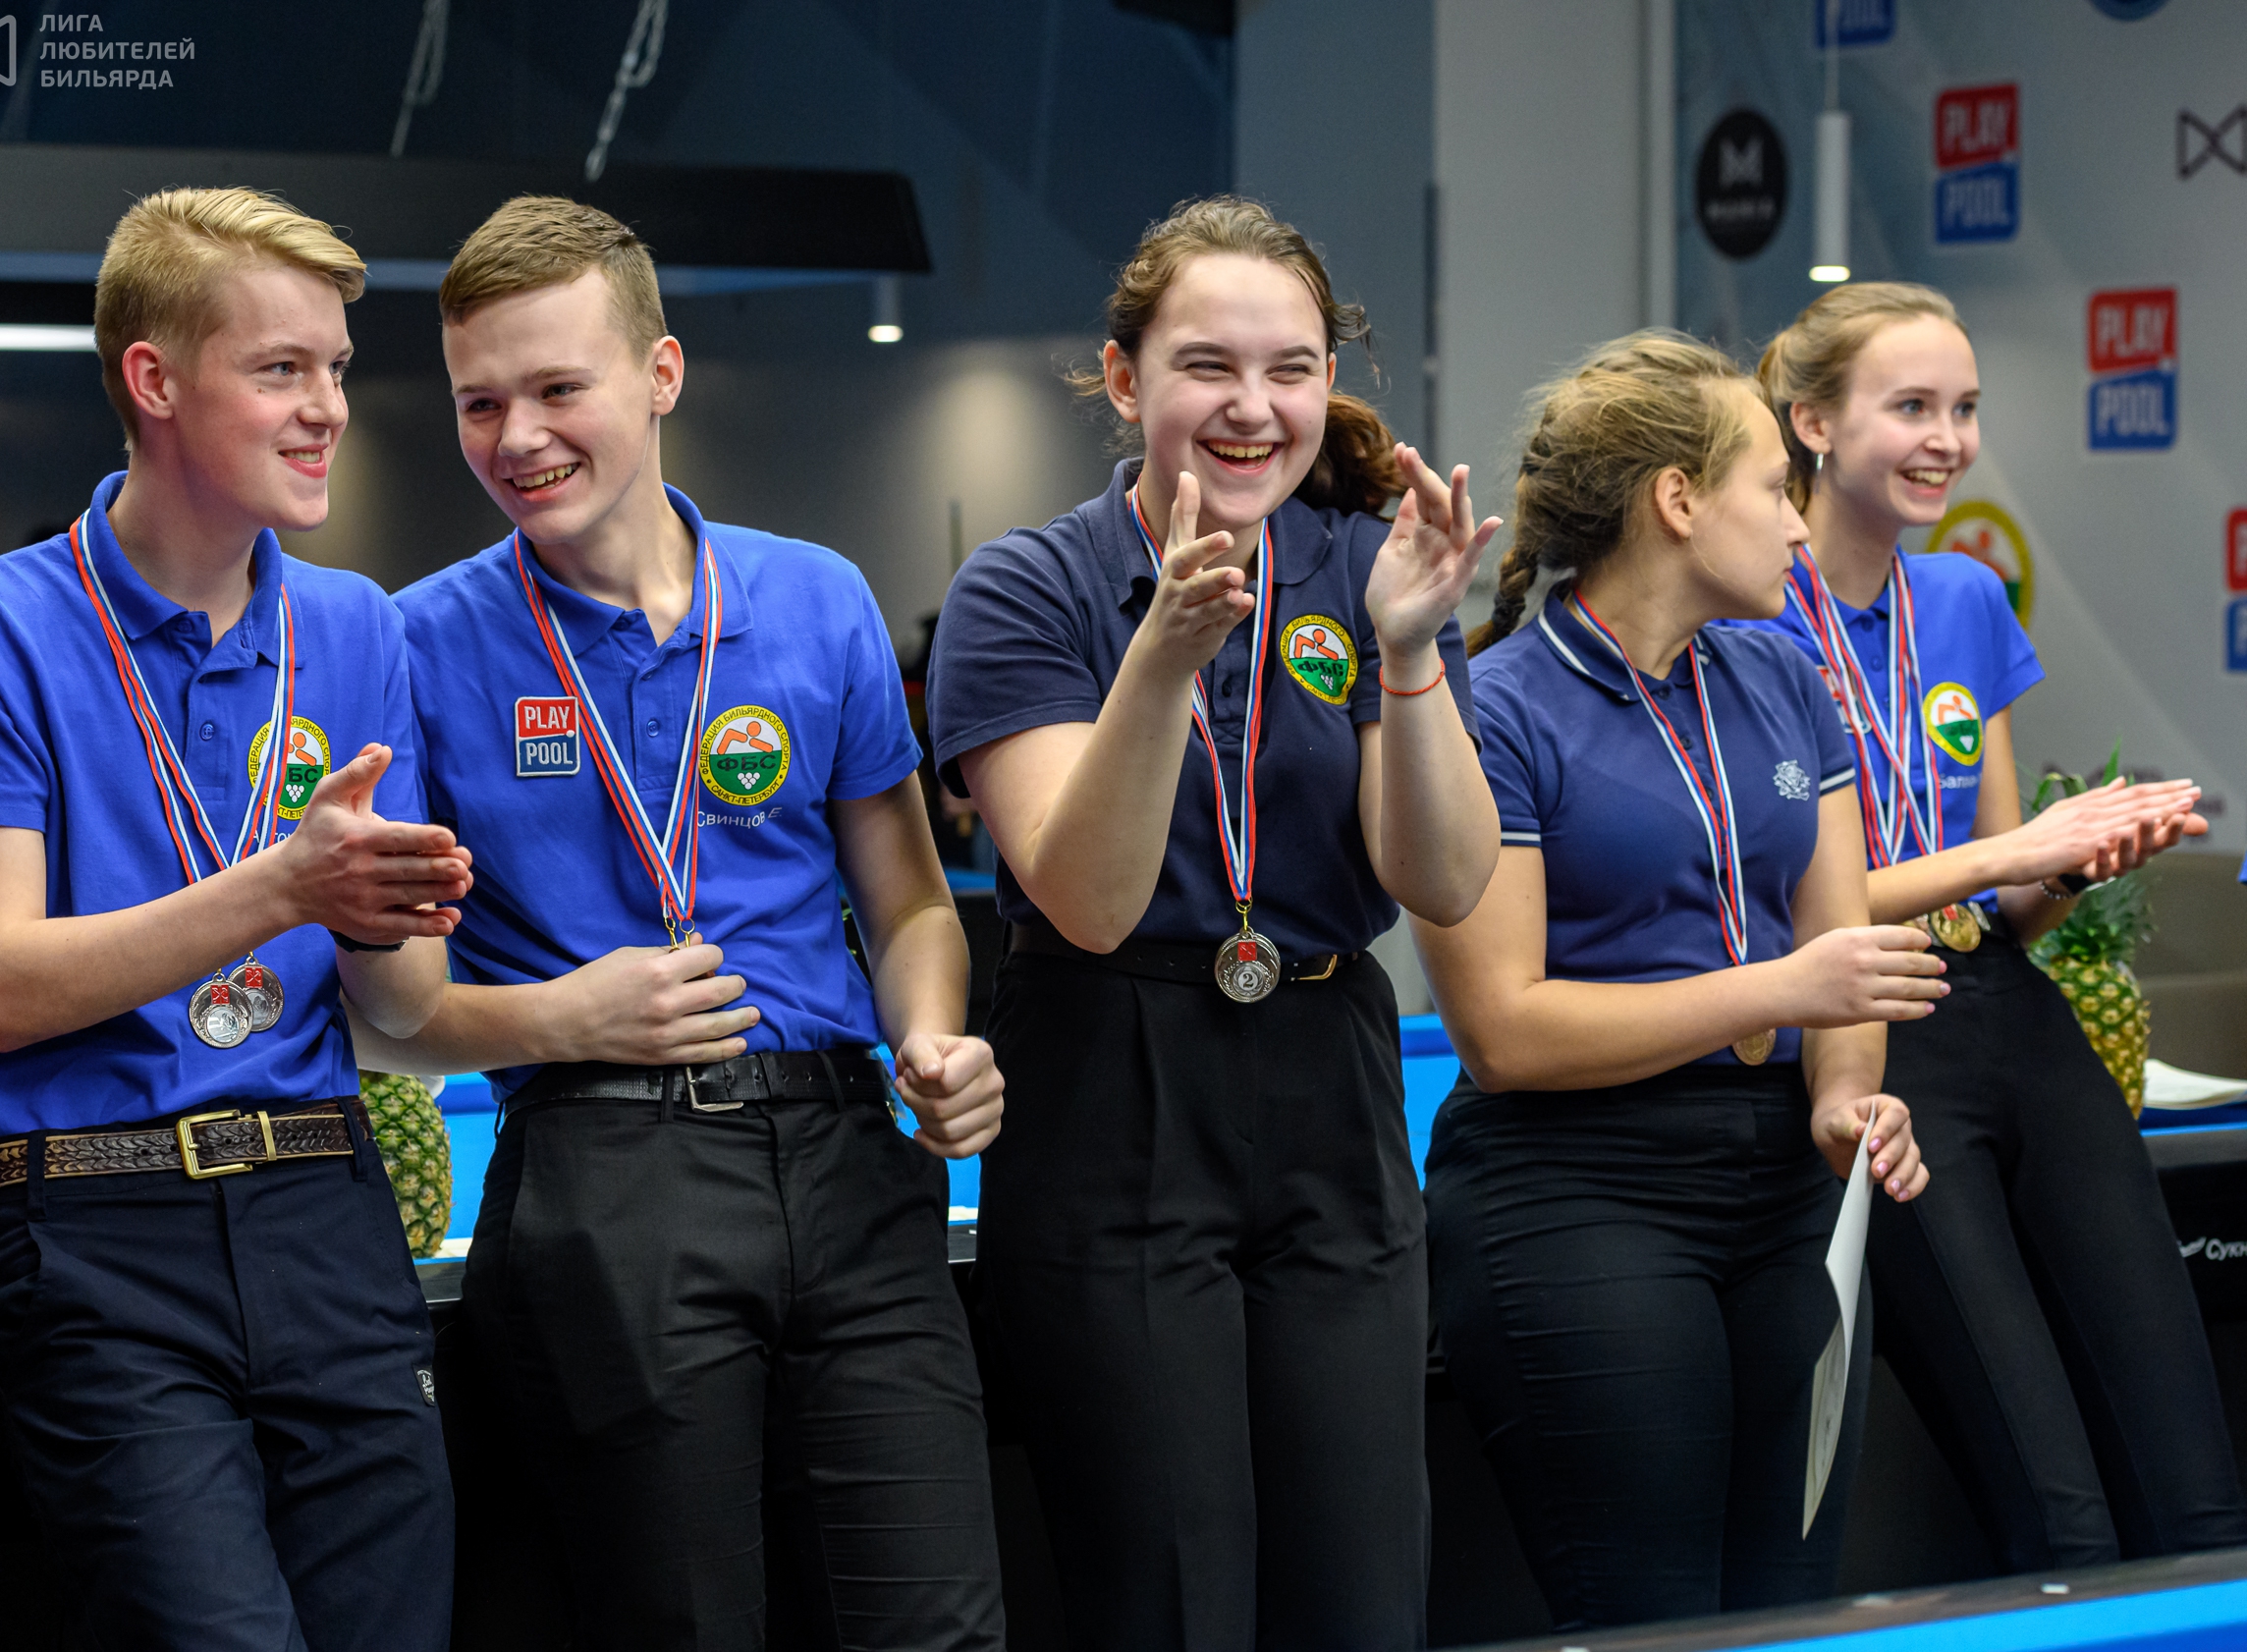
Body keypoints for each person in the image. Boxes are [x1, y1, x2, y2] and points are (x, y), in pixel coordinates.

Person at [357, 195, 1007, 1650]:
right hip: (605, 1170)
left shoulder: (816, 596)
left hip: (851, 1155)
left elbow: (909, 899)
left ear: (660, 374)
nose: (517, 436)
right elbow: (390, 1010)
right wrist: (563, 1018)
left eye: (557, 388)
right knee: (684, 1626)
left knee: (938, 1626)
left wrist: (933, 1036)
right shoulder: (413, 643)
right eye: (479, 401)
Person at [0, 188, 469, 1650]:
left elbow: (404, 1006)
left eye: (336, 367)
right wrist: (287, 884)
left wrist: (385, 918)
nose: (328, 407)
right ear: (153, 380)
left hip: (326, 1205)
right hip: (90, 1225)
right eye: (282, 369)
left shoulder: (358, 626)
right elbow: (0, 984)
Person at [927, 194, 1501, 1651]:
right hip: (1111, 1076)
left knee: (1363, 1595)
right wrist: (1163, 657)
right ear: (1124, 383)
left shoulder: (1365, 568)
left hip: (1329, 1074)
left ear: (1327, 380)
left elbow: (1444, 882)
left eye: (1290, 368)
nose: (1254, 407)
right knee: (1167, 1598)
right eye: (1207, 366)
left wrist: (1412, 651)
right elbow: (1088, 898)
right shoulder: (1031, 587)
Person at [1412, 332, 1940, 1630]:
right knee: (1654, 1619)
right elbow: (1504, 1032)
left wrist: (1845, 1096)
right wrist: (1781, 993)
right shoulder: (1498, 705)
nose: (1802, 529)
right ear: (1678, 500)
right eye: (1775, 489)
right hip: (1577, 1187)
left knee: (1789, 1610)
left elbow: (1841, 957)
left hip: (1789, 1195)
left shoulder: (1782, 674)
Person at [1746, 282, 2247, 1569]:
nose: (1948, 440)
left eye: (1964, 409)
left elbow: (2006, 905)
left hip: (2013, 1015)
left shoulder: (1966, 599)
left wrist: (2071, 863)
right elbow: (1774, 913)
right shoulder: (1747, 618)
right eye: (1912, 406)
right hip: (1869, 1030)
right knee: (2054, 1505)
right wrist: (2006, 855)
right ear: (1813, 421)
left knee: (2196, 1481)